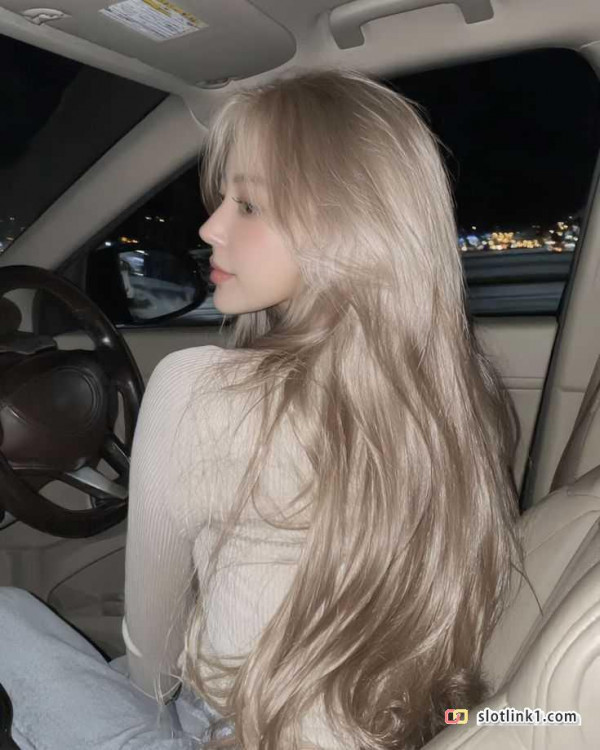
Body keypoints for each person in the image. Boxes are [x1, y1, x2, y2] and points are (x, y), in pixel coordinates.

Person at [0, 67, 524, 749]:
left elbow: (154, 664)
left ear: (343, 225)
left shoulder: (203, 389)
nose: (210, 226)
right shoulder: (461, 392)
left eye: (247, 205)